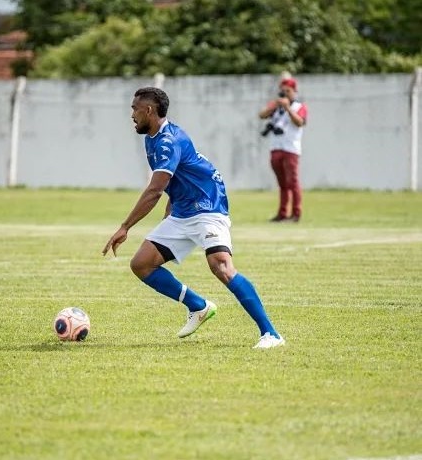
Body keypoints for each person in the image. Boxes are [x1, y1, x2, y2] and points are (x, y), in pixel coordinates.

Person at [102, 87, 284, 349]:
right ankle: (198, 306)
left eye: (134, 108)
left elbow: (154, 190)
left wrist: (124, 227)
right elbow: (174, 179)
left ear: (149, 110)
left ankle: (271, 334)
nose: (131, 114)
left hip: (208, 206)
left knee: (221, 266)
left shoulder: (168, 141)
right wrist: (171, 207)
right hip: (183, 209)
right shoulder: (151, 138)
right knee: (141, 264)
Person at [259, 77, 308, 222]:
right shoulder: (275, 106)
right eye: (283, 91)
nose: (285, 94)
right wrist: (274, 106)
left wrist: (287, 108)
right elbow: (262, 115)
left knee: (293, 182)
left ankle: (296, 213)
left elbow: (300, 122)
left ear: (294, 91)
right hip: (276, 147)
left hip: (291, 148)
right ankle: (282, 213)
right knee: (282, 184)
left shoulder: (300, 107)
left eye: (288, 91)